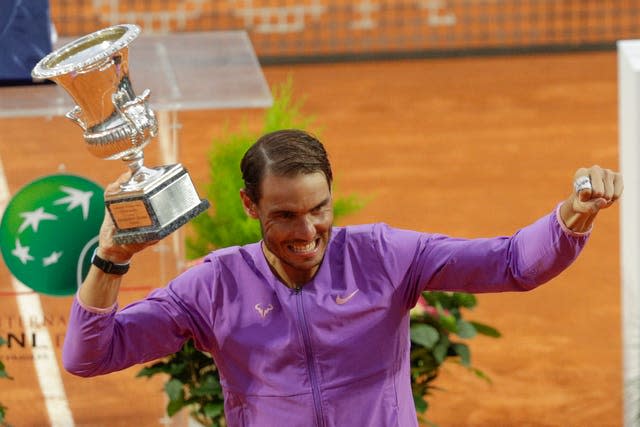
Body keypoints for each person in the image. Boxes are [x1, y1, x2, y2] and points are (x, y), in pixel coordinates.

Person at [63, 129, 623, 426]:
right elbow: (91, 355)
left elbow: (511, 264)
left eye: (320, 209)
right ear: (250, 205)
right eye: (284, 214)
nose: (307, 232)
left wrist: (574, 211)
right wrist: (111, 257)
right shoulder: (216, 284)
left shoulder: (385, 255)